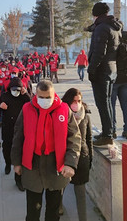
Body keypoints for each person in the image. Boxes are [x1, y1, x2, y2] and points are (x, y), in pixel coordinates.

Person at [11, 80, 81, 221]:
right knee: (33, 210)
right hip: (32, 163)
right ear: (36, 95)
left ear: (53, 94)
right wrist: (16, 162)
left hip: (56, 163)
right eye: (41, 97)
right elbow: (18, 137)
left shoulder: (63, 109)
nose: (44, 100)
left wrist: (70, 163)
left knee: (53, 211)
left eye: (48, 97)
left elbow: (74, 138)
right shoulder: (27, 109)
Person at [87, 2, 122, 145]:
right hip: (111, 69)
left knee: (102, 103)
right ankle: (110, 130)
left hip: (101, 71)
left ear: (96, 14)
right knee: (108, 102)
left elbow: (98, 52)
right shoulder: (114, 27)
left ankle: (107, 135)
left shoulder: (102, 28)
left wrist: (91, 69)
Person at [0, 78, 31, 190]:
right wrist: (0, 106)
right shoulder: (5, 96)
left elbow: (33, 105)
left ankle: (18, 179)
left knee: (20, 154)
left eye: (18, 90)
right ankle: (8, 163)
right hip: (8, 129)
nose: (16, 92)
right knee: (7, 149)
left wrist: (26, 94)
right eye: (14, 90)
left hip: (21, 130)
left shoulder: (24, 97)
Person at [61, 88, 93, 221]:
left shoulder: (85, 116)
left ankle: (83, 218)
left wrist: (90, 158)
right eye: (74, 101)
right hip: (64, 157)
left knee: (80, 192)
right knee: (60, 188)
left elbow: (89, 138)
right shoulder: (61, 115)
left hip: (82, 158)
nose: (76, 104)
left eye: (79, 101)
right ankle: (59, 207)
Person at [111, 31, 127, 140]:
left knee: (111, 105)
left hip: (115, 79)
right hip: (126, 78)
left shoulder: (117, 47)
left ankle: (112, 130)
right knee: (126, 105)